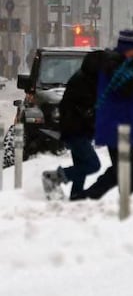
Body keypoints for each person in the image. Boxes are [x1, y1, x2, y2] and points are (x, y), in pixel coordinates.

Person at [81, 30, 133, 200]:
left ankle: (89, 197)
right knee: (127, 170)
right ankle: (124, 206)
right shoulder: (116, 65)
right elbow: (127, 89)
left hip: (122, 125)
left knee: (122, 169)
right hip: (116, 126)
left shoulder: (124, 64)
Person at [42, 50, 104, 200]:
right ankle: (55, 177)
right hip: (75, 131)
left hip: (79, 130)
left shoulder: (87, 79)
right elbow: (88, 108)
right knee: (92, 164)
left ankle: (76, 197)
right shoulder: (84, 83)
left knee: (81, 166)